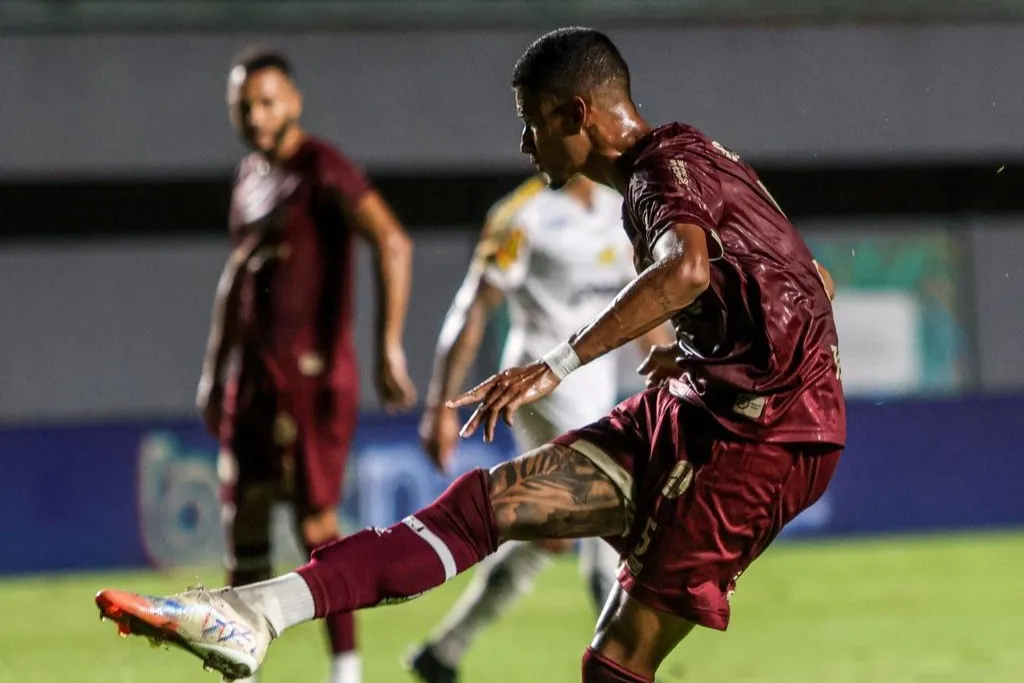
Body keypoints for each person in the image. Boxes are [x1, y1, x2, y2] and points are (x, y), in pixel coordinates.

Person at [95, 28, 843, 683]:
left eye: (530, 124)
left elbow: (686, 271)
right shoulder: (697, 159)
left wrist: (556, 363)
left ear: (574, 114)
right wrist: (709, 351)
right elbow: (812, 280)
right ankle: (252, 613)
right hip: (705, 405)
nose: (525, 144)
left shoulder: (657, 178)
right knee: (484, 504)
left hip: (764, 437)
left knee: (617, 659)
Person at [193, 48, 417, 683]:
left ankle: (345, 671)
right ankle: (242, 670)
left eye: (267, 102)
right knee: (244, 526)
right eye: (244, 106)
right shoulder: (247, 177)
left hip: (312, 380)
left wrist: (388, 346)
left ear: (293, 101)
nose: (256, 115)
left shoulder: (322, 167)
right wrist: (216, 370)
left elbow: (393, 239)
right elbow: (236, 277)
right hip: (253, 380)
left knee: (317, 521)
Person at [408, 173, 672, 683]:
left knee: (550, 532)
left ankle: (442, 652)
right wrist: (440, 403)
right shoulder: (520, 217)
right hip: (538, 388)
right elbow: (473, 305)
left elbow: (638, 306)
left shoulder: (619, 208)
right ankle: (623, 668)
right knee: (610, 515)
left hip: (596, 392)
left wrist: (669, 368)